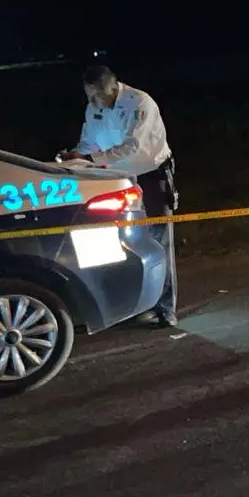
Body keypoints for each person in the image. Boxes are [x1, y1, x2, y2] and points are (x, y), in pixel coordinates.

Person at [57, 65, 178, 327]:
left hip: (150, 174)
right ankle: (131, 305)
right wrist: (74, 159)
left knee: (158, 239)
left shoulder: (139, 103)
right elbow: (88, 144)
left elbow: (131, 147)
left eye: (97, 95)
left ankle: (165, 308)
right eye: (88, 96)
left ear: (113, 88)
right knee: (120, 240)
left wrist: (90, 159)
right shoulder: (94, 108)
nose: (92, 102)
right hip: (114, 178)